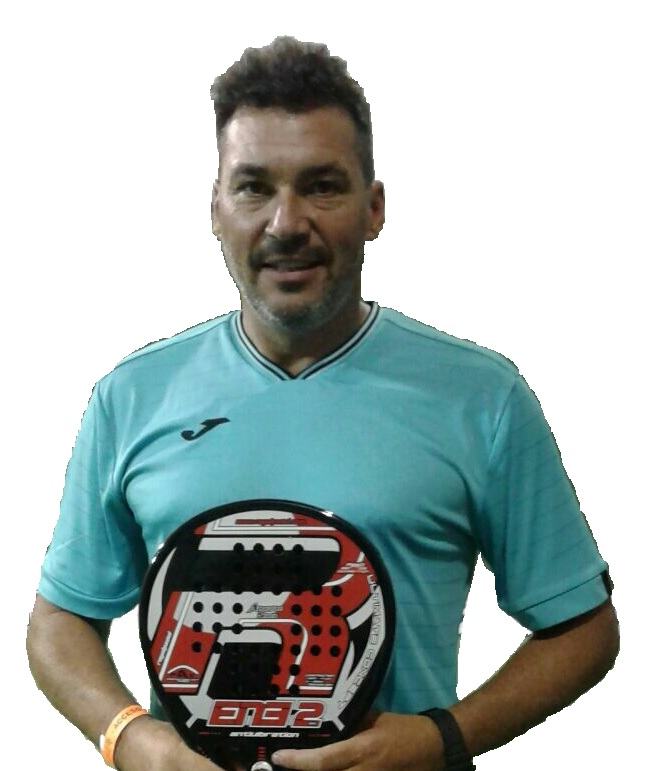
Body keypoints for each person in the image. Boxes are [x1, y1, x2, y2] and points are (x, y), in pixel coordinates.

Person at [27, 36, 618, 771]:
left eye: (322, 186)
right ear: (215, 209)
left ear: (374, 208)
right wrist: (133, 739)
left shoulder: (482, 397)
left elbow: (583, 626)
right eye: (253, 187)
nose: (285, 223)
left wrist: (443, 737)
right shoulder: (131, 396)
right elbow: (60, 619)